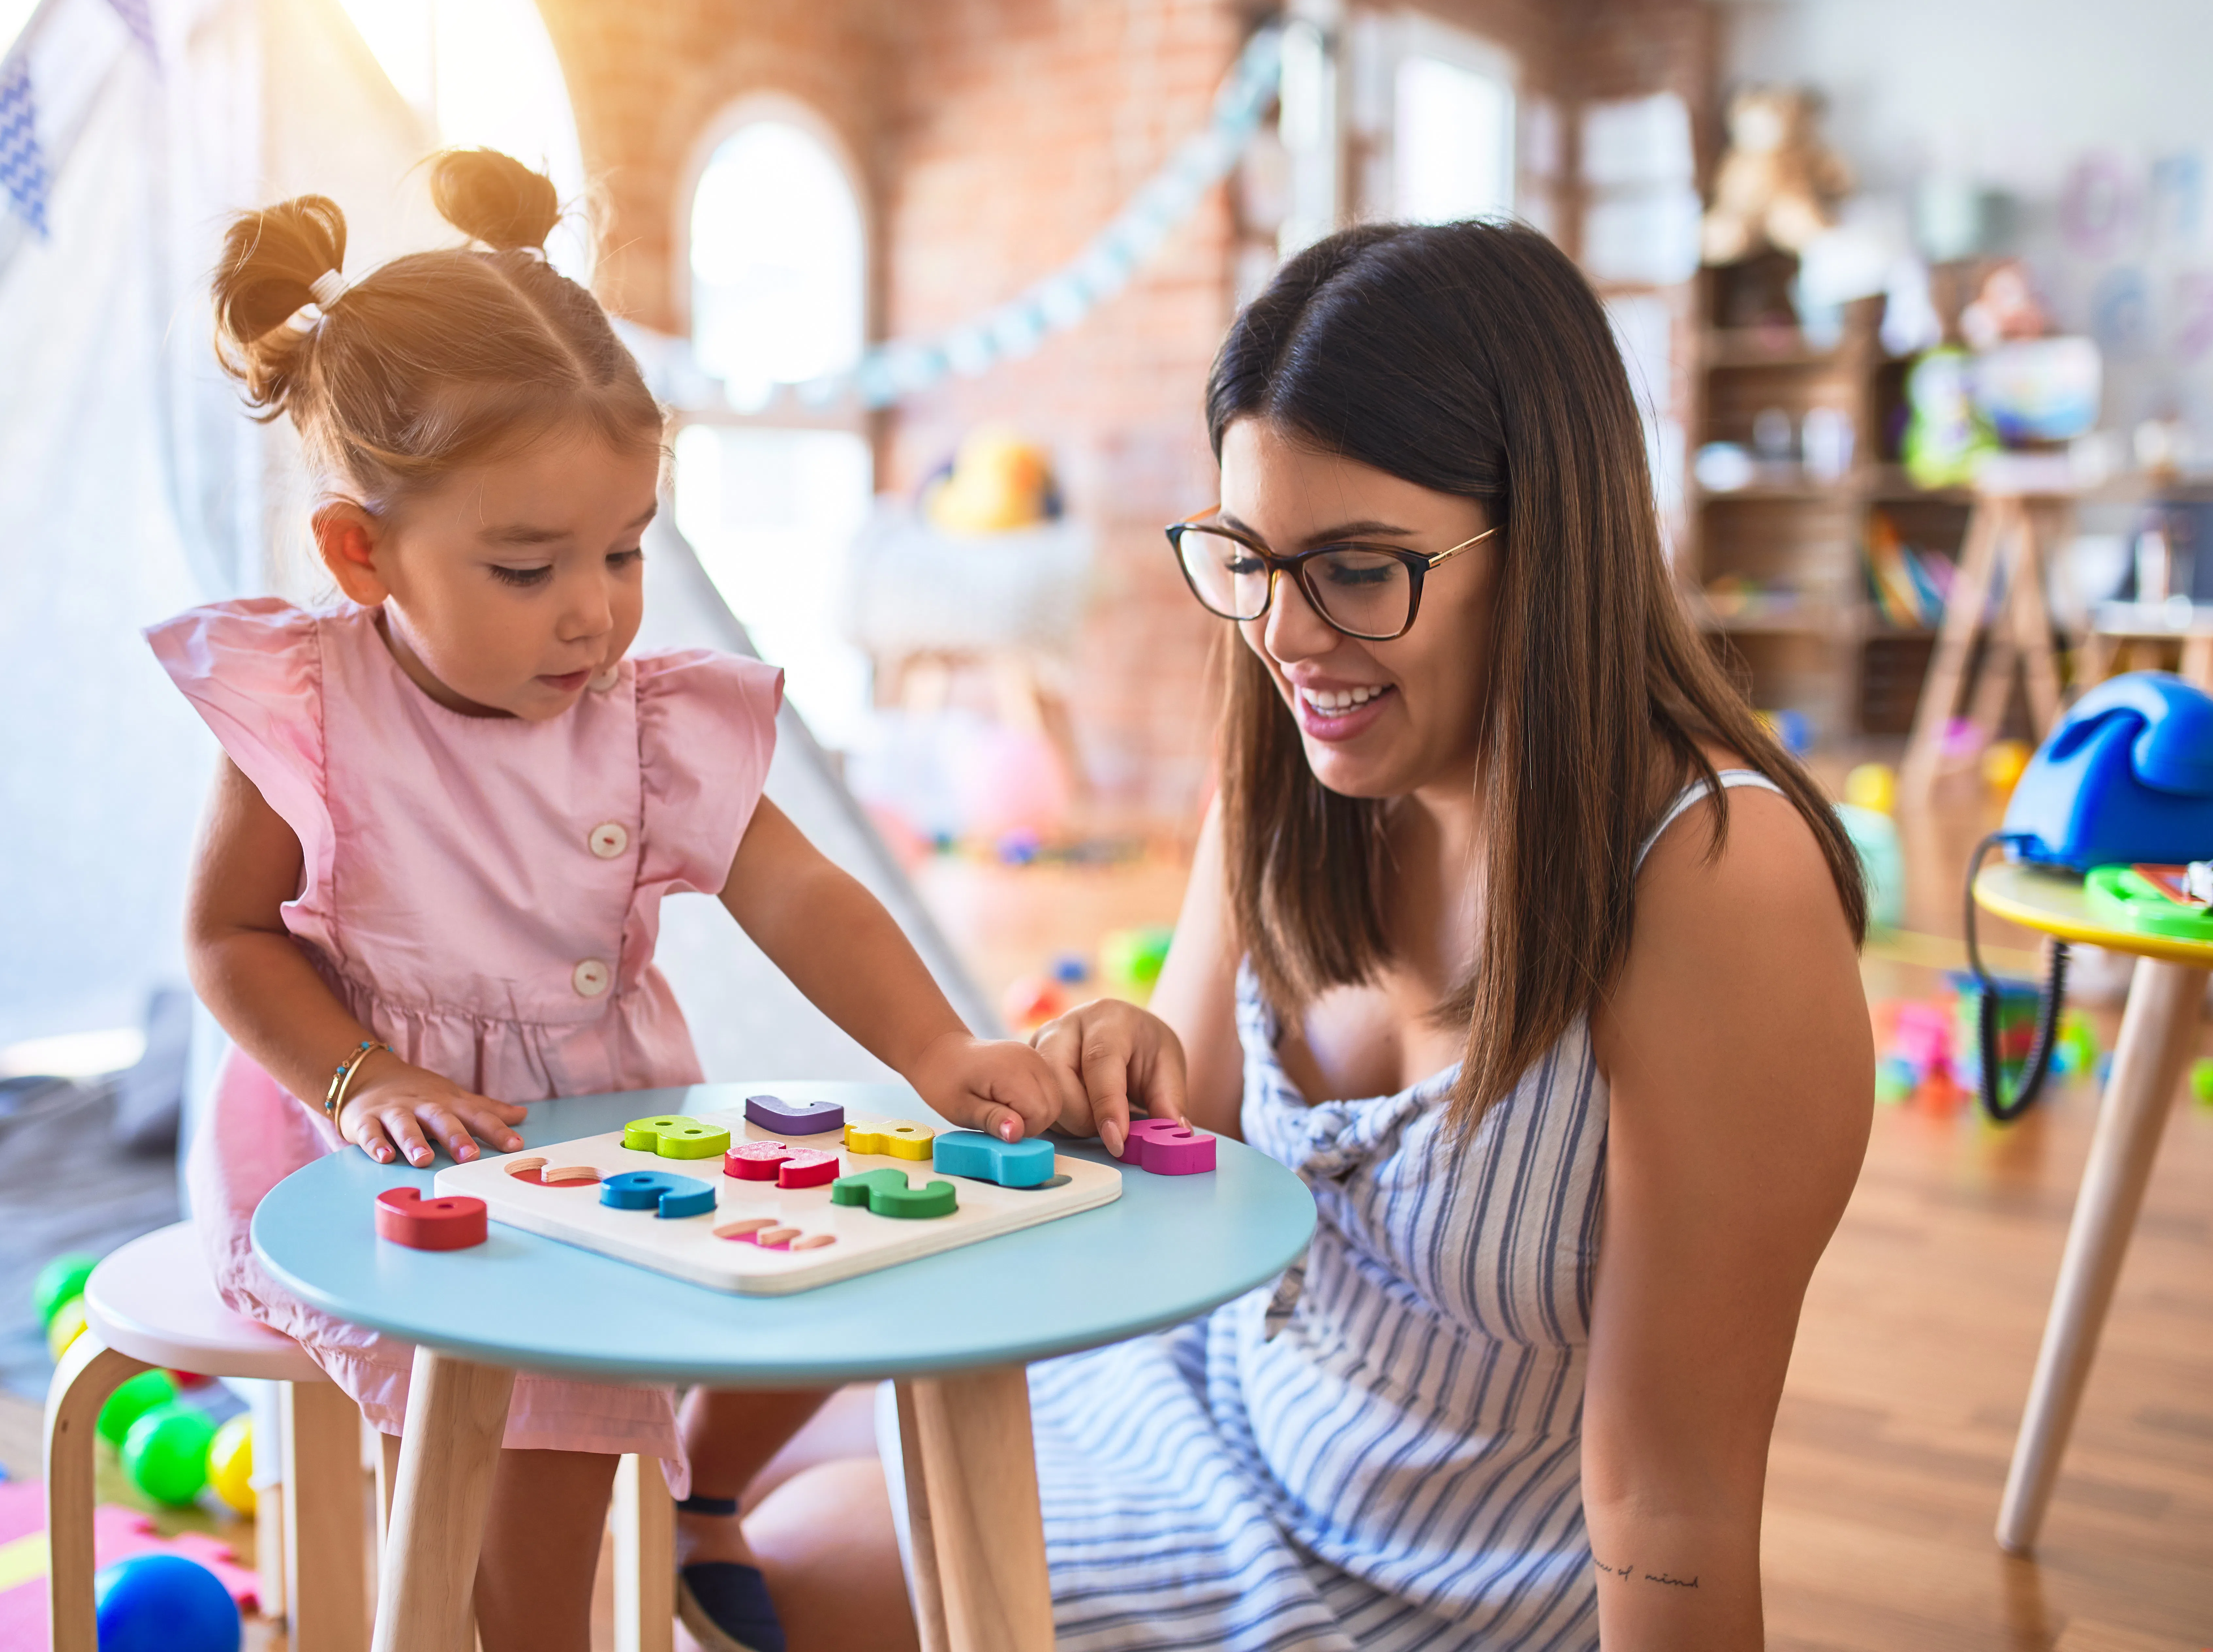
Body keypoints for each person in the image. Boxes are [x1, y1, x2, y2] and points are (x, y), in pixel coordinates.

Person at [749, 220, 1874, 1651]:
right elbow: (1186, 1164)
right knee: (730, 1472)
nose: (1282, 635)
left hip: (1426, 1590)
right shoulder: (1292, 770)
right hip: (1206, 1412)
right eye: (1247, 558)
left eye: (1354, 567)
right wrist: (1116, 1067)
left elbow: (1674, 1496)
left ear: (1546, 542)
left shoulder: (1711, 877)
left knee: (798, 1556)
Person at [153, 149, 1176, 1652]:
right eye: (526, 567)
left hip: (588, 1131)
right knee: (437, 1501)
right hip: (366, 1138)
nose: (593, 608)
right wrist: (362, 1077)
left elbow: (799, 891)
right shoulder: (313, 702)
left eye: (623, 551)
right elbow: (226, 937)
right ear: (363, 554)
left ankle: (606, 1571)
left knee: (559, 1498)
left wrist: (936, 1048)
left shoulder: (641, 719)